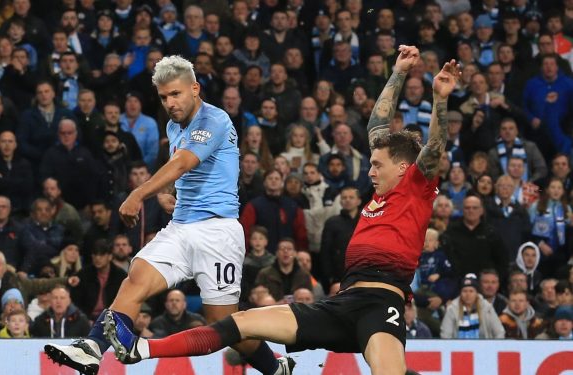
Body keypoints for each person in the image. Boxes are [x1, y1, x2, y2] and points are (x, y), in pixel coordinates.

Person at [102, 47, 455, 375]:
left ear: (405, 168)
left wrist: (439, 98)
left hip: (382, 305)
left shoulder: (418, 189)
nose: (370, 171)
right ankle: (141, 350)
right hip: (341, 302)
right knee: (236, 325)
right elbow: (376, 124)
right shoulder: (382, 188)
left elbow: (436, 144)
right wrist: (397, 73)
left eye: (378, 165)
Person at [45, 55, 289, 375]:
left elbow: (183, 163)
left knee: (223, 323)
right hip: (180, 227)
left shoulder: (215, 120)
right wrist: (170, 195)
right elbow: (184, 172)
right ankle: (92, 348)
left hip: (218, 232)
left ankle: (276, 368)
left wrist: (138, 193)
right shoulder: (174, 125)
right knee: (137, 278)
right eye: (163, 97)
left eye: (176, 94)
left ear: (195, 89)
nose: (170, 103)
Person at [440, 273, 505, 339]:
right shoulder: (452, 308)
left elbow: (499, 332)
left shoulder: (487, 307)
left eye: (471, 291)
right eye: (464, 291)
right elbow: (445, 335)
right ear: (460, 293)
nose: (468, 294)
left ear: (476, 293)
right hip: (458, 347)